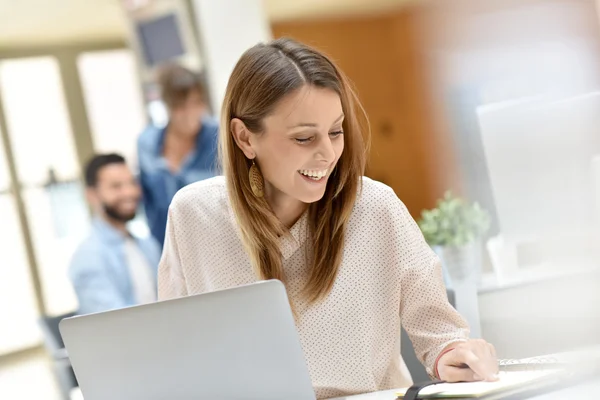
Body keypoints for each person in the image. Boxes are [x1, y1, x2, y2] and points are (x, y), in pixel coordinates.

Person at [158, 38, 498, 399]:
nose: (328, 154)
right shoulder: (193, 215)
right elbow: (176, 353)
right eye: (304, 138)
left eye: (335, 132)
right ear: (244, 138)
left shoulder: (376, 207)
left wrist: (455, 354)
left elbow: (440, 333)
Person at [138, 64, 219, 247]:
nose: (190, 113)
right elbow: (149, 204)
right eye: (180, 106)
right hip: (167, 246)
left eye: (197, 102)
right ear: (167, 105)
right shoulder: (147, 144)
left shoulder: (219, 137)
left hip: (212, 246)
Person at [69, 154, 161, 315]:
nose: (129, 192)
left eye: (132, 183)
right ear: (92, 195)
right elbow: (112, 325)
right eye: (116, 186)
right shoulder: (88, 256)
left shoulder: (148, 246)